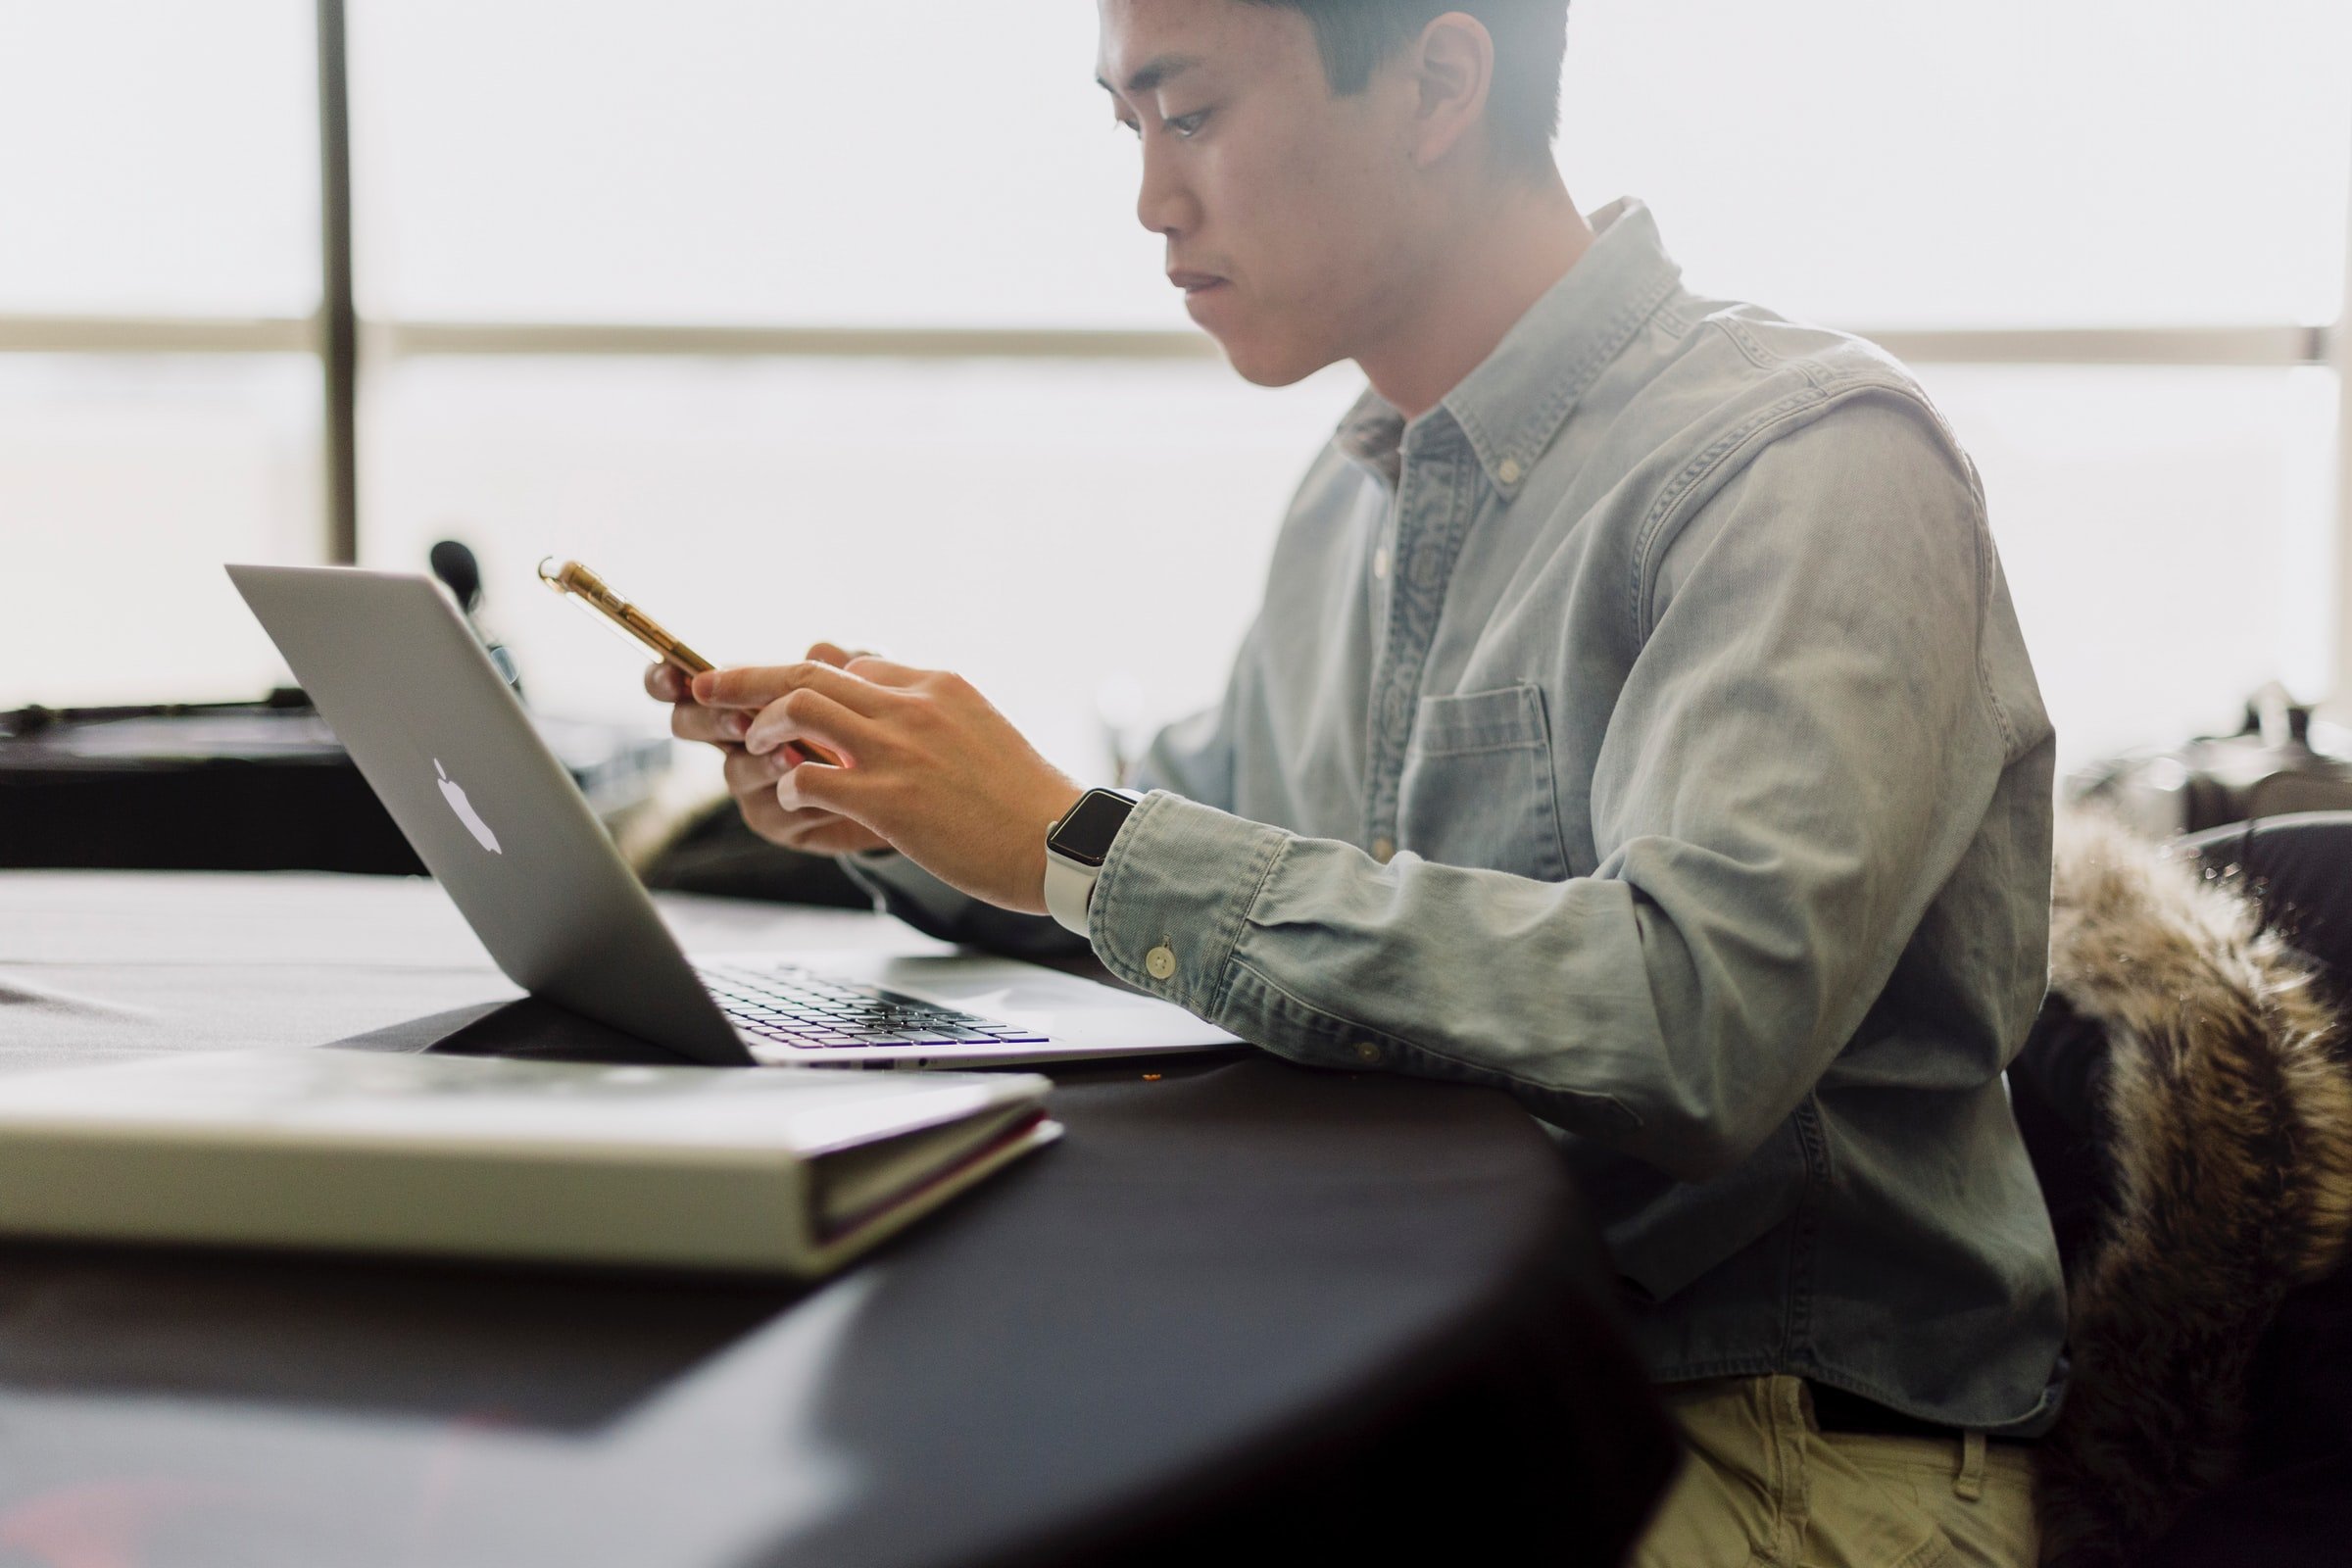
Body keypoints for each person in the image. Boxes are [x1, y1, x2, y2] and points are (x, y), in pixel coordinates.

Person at [649, 2, 2063, 1561]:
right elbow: (1190, 871)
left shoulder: (1805, 465)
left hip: (1758, 1432)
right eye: (1129, 128)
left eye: (1187, 114)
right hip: (1428, 1368)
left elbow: (1695, 1020)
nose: (1151, 202)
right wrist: (909, 813)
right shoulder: (1354, 499)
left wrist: (1074, 839)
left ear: (1440, 81)